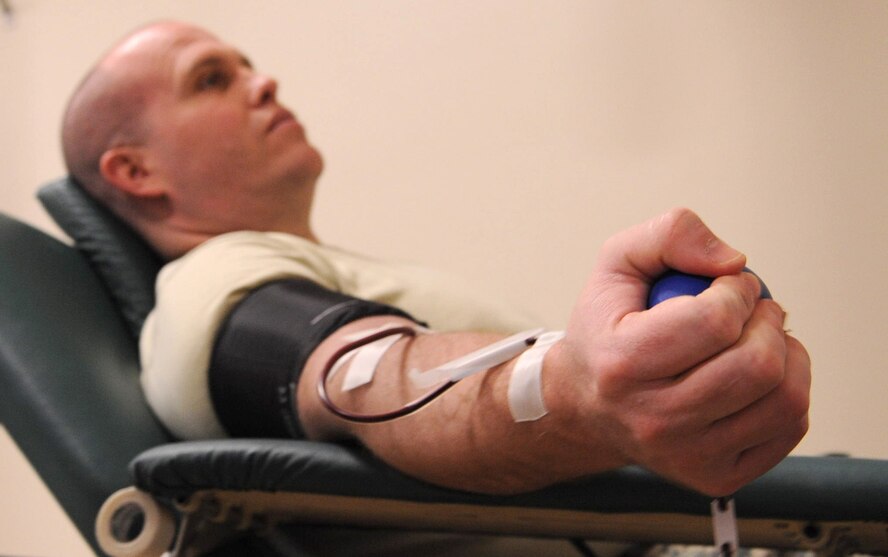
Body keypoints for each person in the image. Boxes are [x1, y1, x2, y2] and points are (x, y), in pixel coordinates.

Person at [61, 20, 810, 502]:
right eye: (211, 79)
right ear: (136, 173)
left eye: (247, 64)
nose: (264, 82)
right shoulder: (214, 282)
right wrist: (578, 389)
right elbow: (371, 378)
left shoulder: (316, 270)